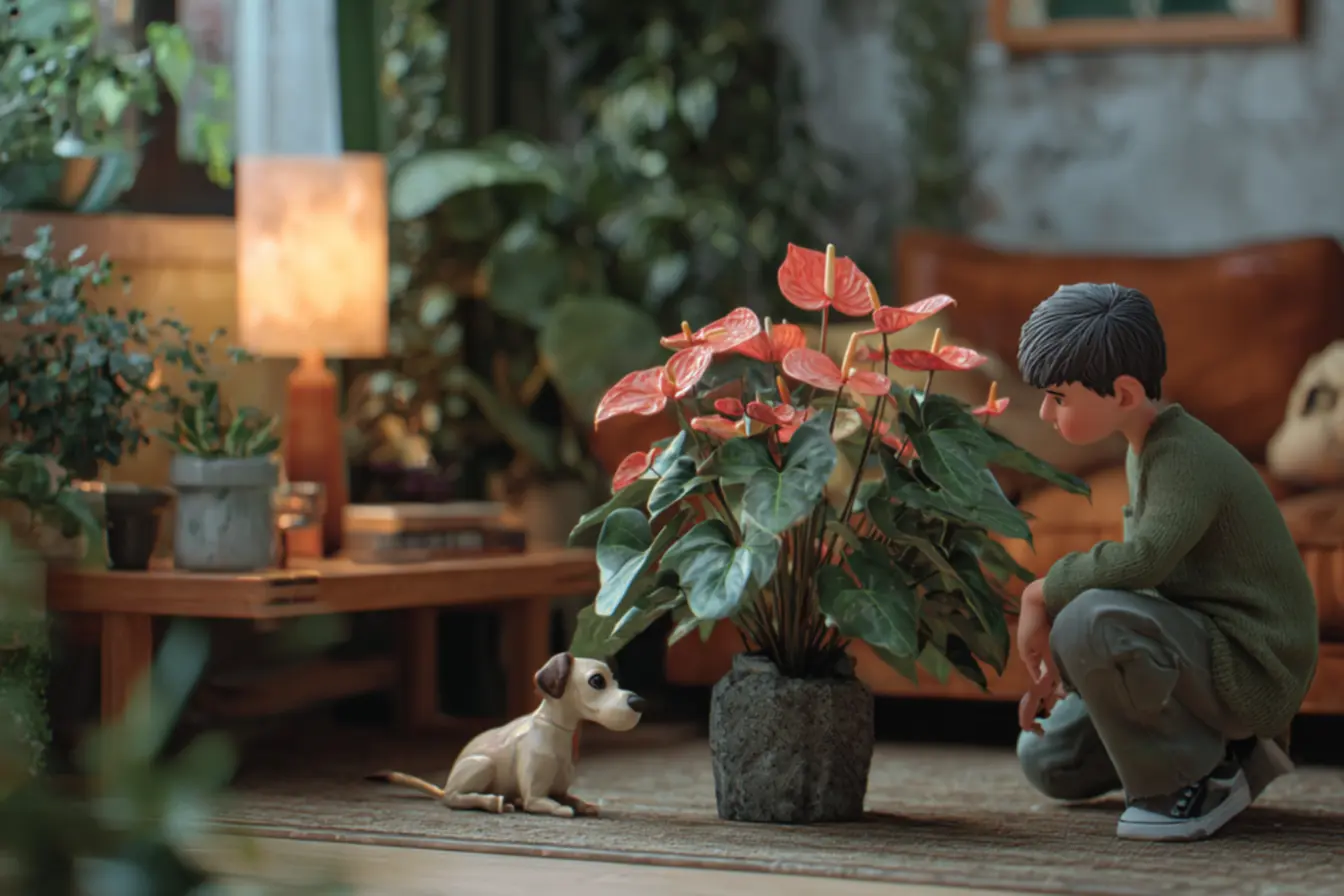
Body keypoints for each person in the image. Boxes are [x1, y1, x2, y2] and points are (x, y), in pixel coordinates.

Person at [1012, 282, 1319, 842]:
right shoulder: (1145, 447)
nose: (1045, 411)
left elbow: (1144, 562)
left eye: (1058, 397)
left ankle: (1200, 778)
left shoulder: (1183, 455)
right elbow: (1152, 589)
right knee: (1047, 759)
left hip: (1249, 664)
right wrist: (1070, 671)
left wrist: (1043, 592)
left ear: (1123, 393)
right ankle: (1221, 749)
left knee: (1085, 616)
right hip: (1200, 643)